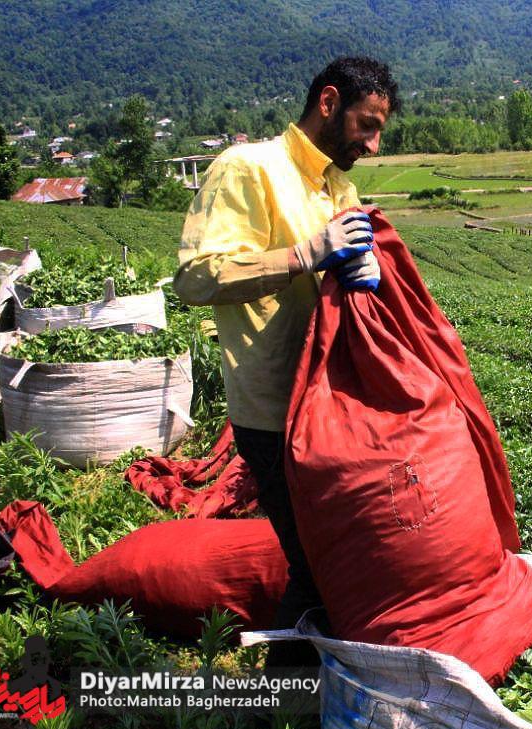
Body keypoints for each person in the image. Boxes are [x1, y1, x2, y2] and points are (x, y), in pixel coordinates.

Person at [175, 57, 399, 660]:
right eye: (366, 125)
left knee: (336, 554)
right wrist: (302, 255)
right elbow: (198, 278)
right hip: (274, 411)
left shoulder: (340, 187)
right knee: (316, 565)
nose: (373, 145)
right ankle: (282, 715)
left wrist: (366, 274)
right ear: (329, 102)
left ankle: (313, 694)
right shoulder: (248, 169)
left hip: (330, 407)